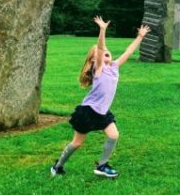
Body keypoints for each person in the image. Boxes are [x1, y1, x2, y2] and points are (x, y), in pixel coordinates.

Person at [51, 16, 150, 179]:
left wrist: (140, 36)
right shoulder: (99, 70)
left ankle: (102, 165)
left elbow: (129, 51)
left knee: (113, 135)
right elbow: (100, 47)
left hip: (102, 112)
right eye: (101, 55)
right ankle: (58, 166)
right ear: (94, 60)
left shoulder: (115, 68)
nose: (106, 55)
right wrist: (102, 30)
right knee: (77, 143)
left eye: (107, 54)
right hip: (88, 112)